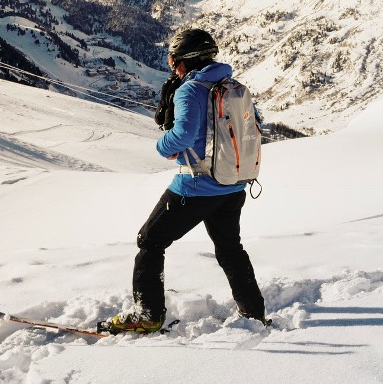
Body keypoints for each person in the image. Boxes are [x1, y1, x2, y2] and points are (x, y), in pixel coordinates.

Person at [101, 28, 267, 333]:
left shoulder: (190, 90)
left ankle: (147, 314)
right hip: (233, 186)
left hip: (194, 188)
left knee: (150, 241)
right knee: (230, 249)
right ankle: (254, 312)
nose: (173, 68)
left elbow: (183, 135)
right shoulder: (234, 86)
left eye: (174, 62)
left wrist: (163, 146)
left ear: (185, 61)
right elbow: (257, 125)